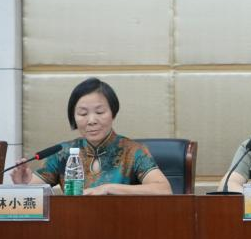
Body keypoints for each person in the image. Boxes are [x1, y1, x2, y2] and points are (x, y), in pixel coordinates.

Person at [10, 77, 171, 195]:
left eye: (100, 112)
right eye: (83, 114)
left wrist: (108, 188)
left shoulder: (133, 151)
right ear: (73, 117)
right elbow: (33, 196)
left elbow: (164, 189)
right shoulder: (63, 153)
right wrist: (24, 186)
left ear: (113, 113)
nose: (91, 120)